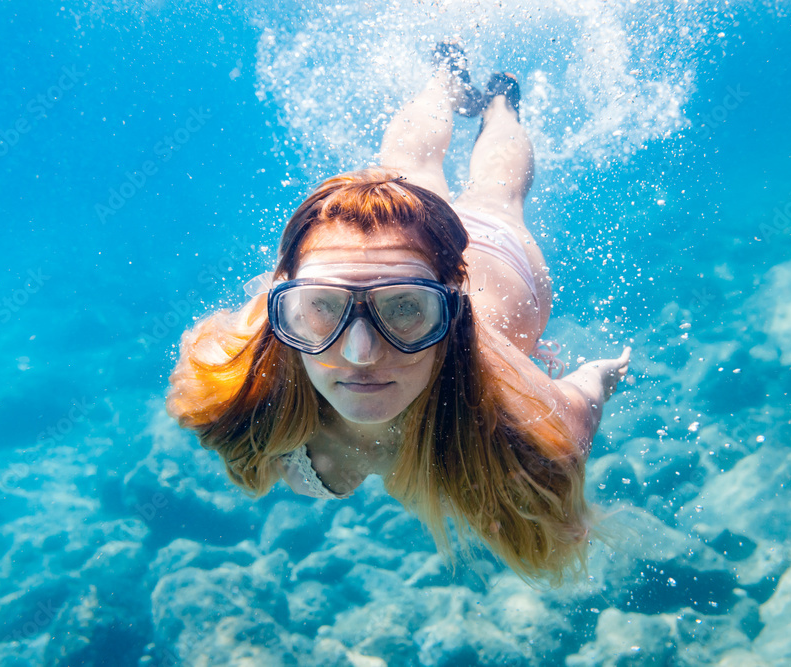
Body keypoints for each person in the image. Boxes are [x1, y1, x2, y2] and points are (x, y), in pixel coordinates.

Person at [167, 43, 630, 583]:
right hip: (394, 249)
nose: (361, 354)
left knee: (496, 195)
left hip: (496, 265)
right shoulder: (245, 388)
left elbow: (578, 407)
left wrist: (596, 379)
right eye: (321, 308)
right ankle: (444, 81)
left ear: (452, 316)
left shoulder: (522, 427)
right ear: (285, 309)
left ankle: (502, 103)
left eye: (406, 309)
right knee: (404, 167)